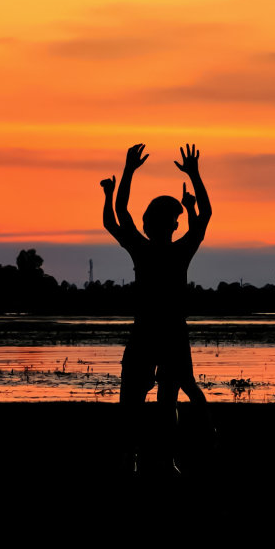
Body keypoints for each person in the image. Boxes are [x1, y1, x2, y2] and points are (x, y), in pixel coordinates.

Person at [101, 142, 212, 472]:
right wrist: (194, 174)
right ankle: (160, 458)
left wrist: (128, 171)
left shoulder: (144, 248)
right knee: (165, 399)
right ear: (174, 225)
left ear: (149, 224)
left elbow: (121, 212)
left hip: (152, 332)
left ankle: (140, 457)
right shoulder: (178, 250)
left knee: (136, 400)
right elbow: (204, 216)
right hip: (167, 332)